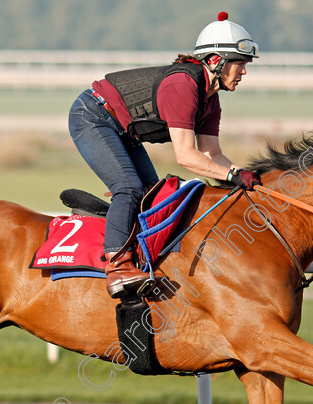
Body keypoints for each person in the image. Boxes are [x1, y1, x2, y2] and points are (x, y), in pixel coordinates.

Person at [68, 11, 263, 298]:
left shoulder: (211, 100)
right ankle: (117, 266)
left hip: (122, 129)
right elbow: (187, 156)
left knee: (152, 194)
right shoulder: (183, 86)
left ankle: (141, 257)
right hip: (92, 116)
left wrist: (247, 176)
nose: (244, 71)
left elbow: (212, 154)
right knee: (129, 189)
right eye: (240, 63)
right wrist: (233, 175)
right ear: (215, 61)